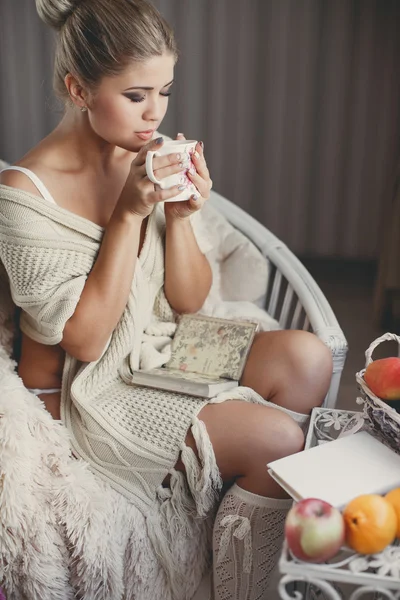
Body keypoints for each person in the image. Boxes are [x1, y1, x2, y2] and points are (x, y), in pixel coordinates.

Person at [0, 0, 332, 597]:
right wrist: (129, 212)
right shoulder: (24, 194)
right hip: (100, 386)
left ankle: (239, 532)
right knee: (279, 441)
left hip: (169, 345)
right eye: (135, 95)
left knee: (308, 356)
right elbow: (84, 339)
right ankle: (240, 586)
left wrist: (179, 217)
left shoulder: (145, 158)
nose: (155, 113)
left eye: (166, 91)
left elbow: (188, 302)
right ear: (78, 89)